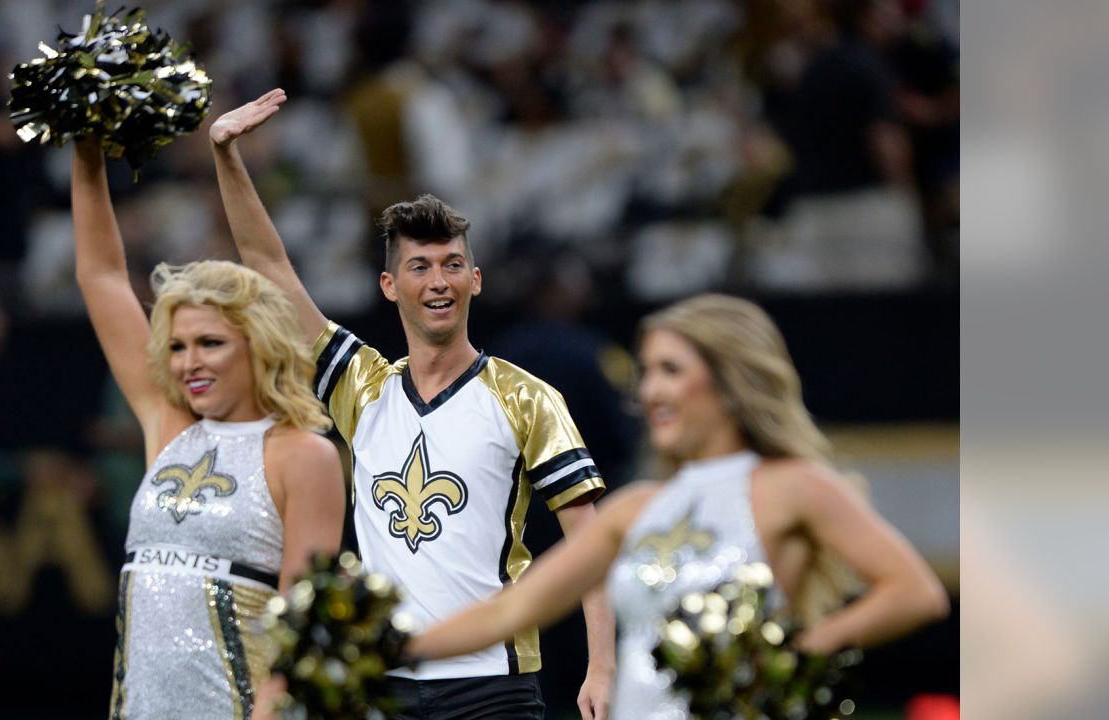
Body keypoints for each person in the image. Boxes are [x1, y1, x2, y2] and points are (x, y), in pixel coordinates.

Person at [210, 90, 616, 720]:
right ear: (389, 284)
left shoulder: (527, 398)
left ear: (475, 280)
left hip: (494, 685)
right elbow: (268, 264)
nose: (438, 282)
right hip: (379, 684)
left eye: (453, 265)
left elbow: (591, 543)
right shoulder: (361, 387)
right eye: (420, 266)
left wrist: (601, 666)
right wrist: (227, 155)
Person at [407, 294, 951, 718]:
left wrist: (791, 656)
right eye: (646, 372)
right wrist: (392, 650)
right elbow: (512, 610)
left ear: (729, 380)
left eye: (670, 370)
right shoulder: (635, 508)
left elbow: (915, 592)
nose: (648, 391)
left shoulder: (790, 485)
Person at [70, 136, 345, 720]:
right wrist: (87, 151)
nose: (188, 362)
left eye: (210, 343)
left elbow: (303, 621)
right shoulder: (170, 429)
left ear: (259, 346)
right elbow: (101, 277)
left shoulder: (303, 454)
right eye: (176, 347)